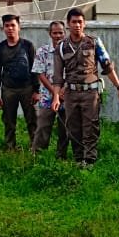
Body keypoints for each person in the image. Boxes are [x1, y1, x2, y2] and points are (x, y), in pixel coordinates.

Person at [51, 8, 119, 166]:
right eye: (74, 22)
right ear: (68, 24)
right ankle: (79, 159)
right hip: (71, 93)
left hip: (90, 92)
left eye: (80, 22)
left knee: (90, 126)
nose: (77, 25)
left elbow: (107, 67)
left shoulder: (94, 42)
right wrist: (56, 97)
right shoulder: (61, 47)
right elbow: (58, 77)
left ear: (84, 24)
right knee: (73, 127)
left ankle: (90, 160)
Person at [0, 14, 38, 150]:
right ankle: (10, 147)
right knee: (8, 121)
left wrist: (36, 90)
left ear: (19, 27)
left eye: (13, 25)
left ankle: (35, 147)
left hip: (27, 88)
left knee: (32, 120)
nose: (10, 28)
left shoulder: (28, 46)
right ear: (3, 28)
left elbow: (35, 69)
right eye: (7, 26)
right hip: (8, 90)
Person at [31, 21, 68, 159]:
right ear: (50, 34)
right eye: (55, 33)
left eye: (61, 32)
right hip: (47, 96)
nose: (58, 35)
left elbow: (73, 73)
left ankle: (61, 157)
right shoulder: (43, 51)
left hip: (66, 96)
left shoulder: (70, 51)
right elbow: (40, 73)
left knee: (65, 128)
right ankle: (38, 156)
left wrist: (62, 91)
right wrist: (54, 92)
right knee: (43, 127)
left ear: (65, 33)